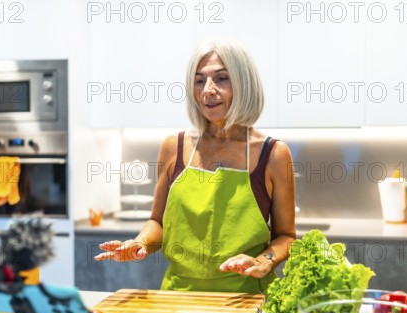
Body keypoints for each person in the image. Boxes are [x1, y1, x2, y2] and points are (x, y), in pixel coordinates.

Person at [95, 39, 296, 294]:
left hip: (246, 298)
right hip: (179, 296)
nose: (207, 91)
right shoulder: (174, 147)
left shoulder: (274, 154)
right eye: (199, 81)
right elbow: (157, 222)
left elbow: (286, 237)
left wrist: (262, 262)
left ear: (244, 84)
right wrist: (139, 242)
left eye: (221, 79)